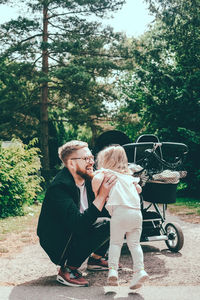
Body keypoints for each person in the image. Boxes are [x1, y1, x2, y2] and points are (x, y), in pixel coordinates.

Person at [37, 140, 117, 287]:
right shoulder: (60, 187)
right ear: (71, 163)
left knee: (117, 217)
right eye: (86, 159)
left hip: (76, 229)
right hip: (59, 241)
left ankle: (95, 259)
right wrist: (101, 196)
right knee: (105, 223)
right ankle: (68, 269)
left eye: (92, 157)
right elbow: (78, 224)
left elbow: (101, 211)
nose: (91, 162)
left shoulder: (88, 180)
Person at [92, 145, 149, 289]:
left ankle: (112, 271)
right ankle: (139, 271)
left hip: (120, 213)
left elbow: (96, 179)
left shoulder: (106, 173)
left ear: (105, 160)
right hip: (136, 213)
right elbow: (139, 189)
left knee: (116, 243)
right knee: (135, 244)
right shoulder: (129, 177)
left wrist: (96, 192)